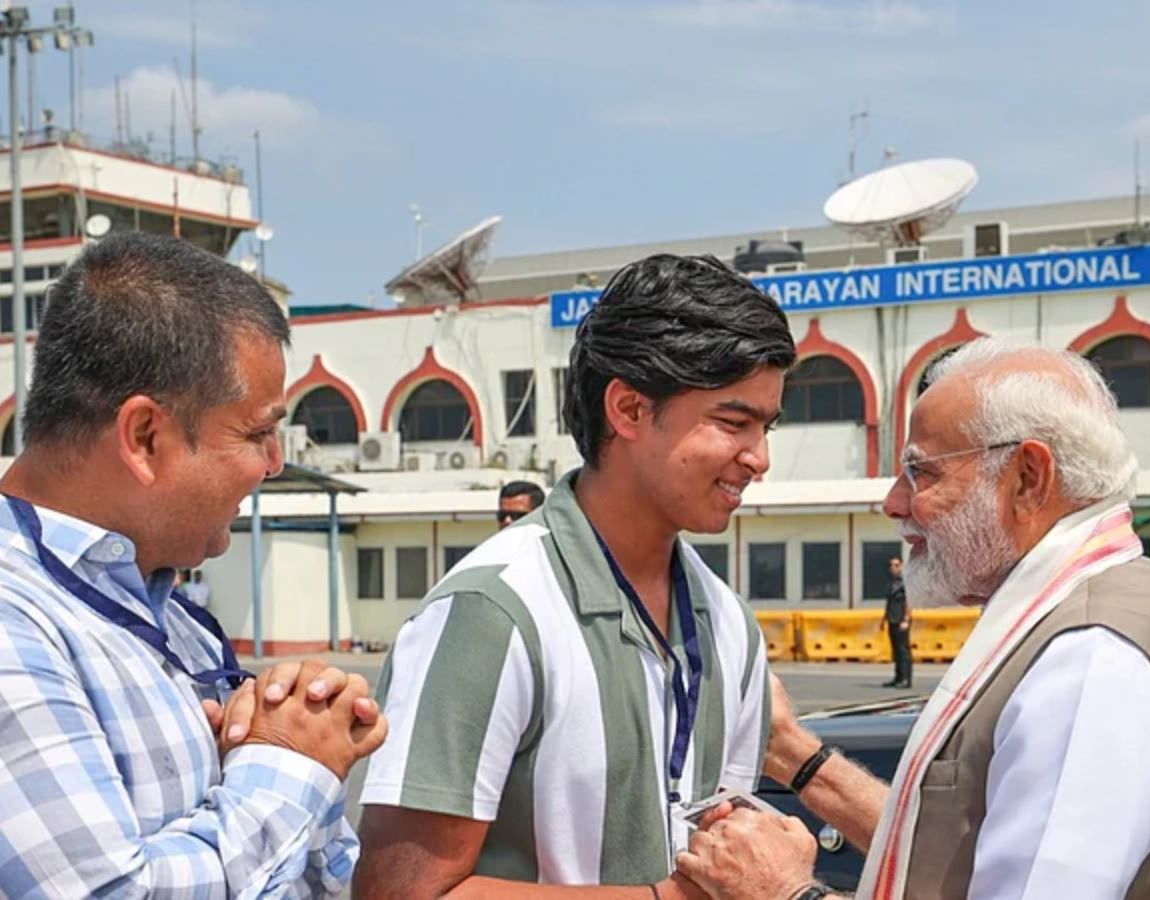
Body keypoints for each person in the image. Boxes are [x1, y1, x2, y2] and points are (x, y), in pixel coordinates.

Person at [677, 338, 1150, 899]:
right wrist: (799, 757)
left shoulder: (1089, 666)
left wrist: (782, 892)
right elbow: (961, 855)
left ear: (1027, 477)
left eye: (921, 474)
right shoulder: (1083, 606)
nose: (894, 503)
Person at [355, 254, 796, 897]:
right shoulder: (494, 610)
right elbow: (401, 893)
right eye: (733, 422)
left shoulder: (728, 623)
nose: (759, 457)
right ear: (629, 408)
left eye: (766, 425)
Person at [0, 232, 388, 897]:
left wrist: (304, 722)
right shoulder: (17, 619)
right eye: (257, 433)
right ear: (145, 437)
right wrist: (292, 765)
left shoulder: (170, 617)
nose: (271, 464)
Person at [880, 556, 911, 688]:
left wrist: (906, 619)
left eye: (897, 565)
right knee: (896, 651)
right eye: (892, 565)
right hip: (892, 619)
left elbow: (909, 602)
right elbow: (889, 603)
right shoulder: (891, 583)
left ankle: (905, 679)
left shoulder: (905, 582)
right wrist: (883, 619)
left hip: (901, 620)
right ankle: (898, 677)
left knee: (903, 651)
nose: (894, 568)